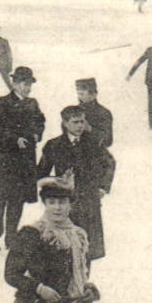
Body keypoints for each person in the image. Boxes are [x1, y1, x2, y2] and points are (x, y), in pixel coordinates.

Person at [36, 105, 116, 261]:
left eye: (82, 122)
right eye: (75, 122)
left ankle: (83, 283)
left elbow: (110, 163)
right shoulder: (54, 145)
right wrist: (55, 181)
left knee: (87, 250)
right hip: (65, 205)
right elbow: (40, 174)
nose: (80, 126)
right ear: (65, 123)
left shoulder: (94, 143)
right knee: (64, 249)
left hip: (89, 204)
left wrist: (103, 187)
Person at [0, 67, 45, 253]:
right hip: (4, 162)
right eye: (24, 84)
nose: (27, 88)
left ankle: (11, 238)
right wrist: (14, 139)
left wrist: (37, 133)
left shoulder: (33, 104)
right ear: (15, 83)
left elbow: (41, 122)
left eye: (29, 84)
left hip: (24, 162)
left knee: (16, 203)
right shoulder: (2, 104)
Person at [73, 77, 113, 148]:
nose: (79, 97)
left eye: (82, 94)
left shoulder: (103, 113)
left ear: (93, 95)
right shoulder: (73, 112)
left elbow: (108, 141)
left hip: (96, 155)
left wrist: (90, 129)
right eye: (78, 94)